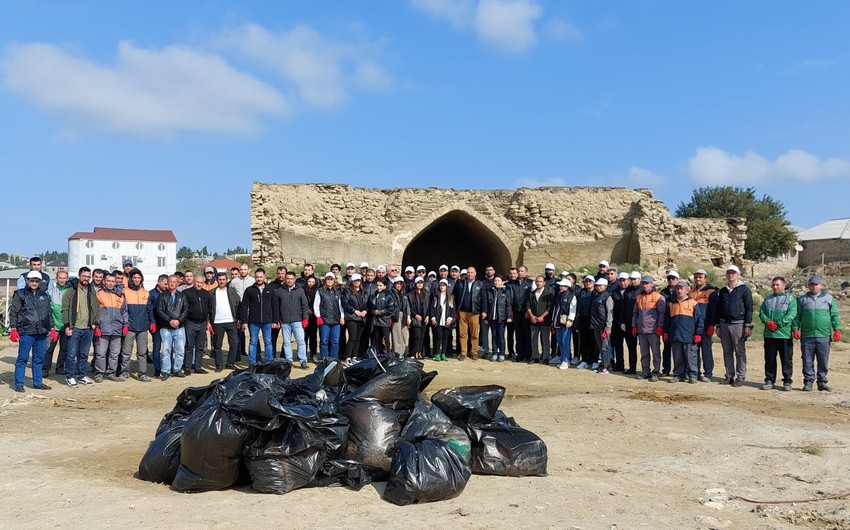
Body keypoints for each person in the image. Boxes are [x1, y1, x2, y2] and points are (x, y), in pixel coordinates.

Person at [9, 271, 56, 392]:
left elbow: (48, 313)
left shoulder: (44, 296)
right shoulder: (20, 294)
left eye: (36, 281)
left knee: (39, 359)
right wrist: (13, 328)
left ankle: (38, 382)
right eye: (32, 280)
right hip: (26, 331)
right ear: (27, 281)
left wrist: (52, 328)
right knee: (23, 358)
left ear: (39, 282)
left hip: (41, 332)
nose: (34, 283)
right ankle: (19, 383)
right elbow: (14, 312)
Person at [794, 275, 841, 392]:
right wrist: (795, 328)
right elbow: (797, 316)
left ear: (821, 285)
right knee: (807, 359)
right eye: (812, 284)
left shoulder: (829, 298)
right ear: (808, 286)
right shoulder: (802, 299)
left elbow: (834, 315)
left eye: (816, 284)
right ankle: (808, 381)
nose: (814, 287)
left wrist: (837, 329)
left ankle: (822, 381)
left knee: (823, 359)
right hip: (807, 335)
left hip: (824, 335)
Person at [716, 265, 753, 387]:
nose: (731, 274)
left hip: (738, 324)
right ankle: (729, 375)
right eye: (729, 272)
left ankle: (741, 376)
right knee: (727, 351)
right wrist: (718, 325)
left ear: (738, 275)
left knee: (739, 351)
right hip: (724, 323)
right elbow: (719, 309)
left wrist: (747, 325)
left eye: (733, 272)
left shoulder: (744, 290)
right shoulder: (722, 291)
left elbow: (749, 308)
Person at [62, 267, 99, 387]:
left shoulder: (91, 290)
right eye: (84, 276)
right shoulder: (70, 291)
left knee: (84, 354)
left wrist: (94, 322)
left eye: (88, 277)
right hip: (75, 327)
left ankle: (82, 376)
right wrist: (67, 326)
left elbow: (96, 307)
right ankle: (70, 376)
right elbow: (65, 309)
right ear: (79, 276)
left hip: (88, 328)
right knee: (71, 354)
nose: (86, 278)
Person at [758, 276, 797, 391]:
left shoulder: (790, 299)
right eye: (773, 285)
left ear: (784, 286)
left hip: (784, 335)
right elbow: (761, 312)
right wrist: (767, 322)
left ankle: (787, 381)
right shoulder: (768, 299)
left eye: (777, 285)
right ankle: (769, 380)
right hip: (769, 335)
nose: (775, 287)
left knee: (786, 359)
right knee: (769, 359)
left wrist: (778, 324)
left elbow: (791, 314)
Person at [664, 280, 705, 383]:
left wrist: (698, 333)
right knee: (677, 356)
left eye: (681, 288)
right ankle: (678, 375)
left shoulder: (693, 303)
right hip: (675, 335)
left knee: (691, 356)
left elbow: (699, 320)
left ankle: (693, 375)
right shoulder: (671, 304)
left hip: (689, 336)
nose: (679, 290)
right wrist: (666, 332)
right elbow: (667, 320)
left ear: (687, 291)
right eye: (677, 288)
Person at [239, 268, 280, 367]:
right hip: (253, 321)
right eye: (257, 277)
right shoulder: (249, 290)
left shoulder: (270, 290)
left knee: (268, 341)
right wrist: (244, 321)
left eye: (261, 277)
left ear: (264, 277)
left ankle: (269, 362)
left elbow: (275, 305)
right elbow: (244, 306)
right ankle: (252, 362)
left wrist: (275, 320)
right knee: (253, 341)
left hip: (267, 321)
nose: (259, 279)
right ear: (255, 277)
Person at [93, 273, 128, 382]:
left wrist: (125, 324)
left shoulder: (120, 296)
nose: (110, 283)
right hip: (103, 328)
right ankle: (99, 373)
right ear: (104, 281)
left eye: (113, 281)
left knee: (114, 353)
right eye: (108, 281)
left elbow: (124, 311)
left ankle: (111, 372)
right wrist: (97, 325)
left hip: (117, 329)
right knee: (101, 353)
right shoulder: (98, 294)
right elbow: (95, 311)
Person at [155, 274, 189, 380]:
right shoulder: (162, 296)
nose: (172, 283)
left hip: (179, 327)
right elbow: (159, 310)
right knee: (166, 350)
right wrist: (169, 320)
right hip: (165, 327)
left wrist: (179, 321)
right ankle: (165, 371)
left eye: (174, 282)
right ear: (167, 282)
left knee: (180, 350)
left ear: (178, 283)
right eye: (170, 281)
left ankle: (177, 369)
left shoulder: (182, 296)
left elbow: (185, 310)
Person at [633, 276, 666, 381]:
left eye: (647, 283)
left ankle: (656, 371)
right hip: (641, 330)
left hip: (653, 330)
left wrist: (660, 327)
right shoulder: (639, 297)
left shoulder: (658, 297)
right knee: (644, 353)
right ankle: (645, 371)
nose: (645, 285)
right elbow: (635, 313)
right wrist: (634, 326)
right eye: (643, 283)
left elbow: (662, 314)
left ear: (652, 284)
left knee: (656, 352)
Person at [122, 268, 152, 381]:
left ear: (141, 279)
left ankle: (142, 373)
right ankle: (125, 372)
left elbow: (149, 310)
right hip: (130, 327)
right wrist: (125, 324)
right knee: (126, 352)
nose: (136, 280)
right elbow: (123, 310)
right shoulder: (125, 292)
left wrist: (151, 322)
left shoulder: (146, 293)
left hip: (143, 327)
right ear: (131, 279)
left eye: (139, 278)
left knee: (142, 353)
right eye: (134, 278)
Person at [691, 269, 719, 382]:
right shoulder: (691, 292)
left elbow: (714, 310)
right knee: (694, 350)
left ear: (705, 278)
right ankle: (696, 372)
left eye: (700, 277)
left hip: (706, 326)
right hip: (693, 327)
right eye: (696, 277)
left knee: (706, 350)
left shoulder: (711, 292)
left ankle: (708, 373)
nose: (698, 279)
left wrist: (712, 325)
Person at [210, 272, 241, 372]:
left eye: (223, 279)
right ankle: (219, 365)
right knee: (217, 345)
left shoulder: (232, 291)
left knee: (235, 343)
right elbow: (208, 309)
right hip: (217, 322)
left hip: (231, 321)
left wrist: (238, 318)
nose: (222, 281)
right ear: (217, 280)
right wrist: (209, 322)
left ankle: (230, 363)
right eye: (220, 279)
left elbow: (238, 304)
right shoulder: (212, 293)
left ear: (226, 280)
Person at [183, 274, 213, 375]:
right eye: (197, 282)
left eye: (201, 282)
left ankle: (198, 367)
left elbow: (209, 309)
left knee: (200, 347)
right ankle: (187, 367)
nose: (199, 284)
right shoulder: (186, 293)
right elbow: (183, 308)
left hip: (202, 323)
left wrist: (208, 322)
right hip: (190, 323)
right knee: (189, 346)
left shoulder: (206, 294)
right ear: (194, 282)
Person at [44, 270, 71, 377]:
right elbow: (46, 309)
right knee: (49, 348)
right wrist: (50, 326)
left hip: (66, 326)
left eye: (64, 278)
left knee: (64, 349)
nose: (62, 280)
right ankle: (45, 368)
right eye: (60, 278)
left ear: (67, 279)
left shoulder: (70, 291)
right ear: (56, 278)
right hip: (53, 327)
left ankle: (60, 367)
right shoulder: (50, 291)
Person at [453, 266, 483, 361]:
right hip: (462, 312)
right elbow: (455, 296)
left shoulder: (480, 284)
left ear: (475, 273)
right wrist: (456, 310)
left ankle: (474, 352)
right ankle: (463, 353)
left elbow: (484, 299)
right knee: (462, 334)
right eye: (468, 272)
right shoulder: (460, 283)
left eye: (471, 272)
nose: (470, 274)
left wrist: (484, 311)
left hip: (474, 312)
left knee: (474, 334)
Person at [314, 272, 344, 360]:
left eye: (331, 279)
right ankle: (324, 358)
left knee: (335, 341)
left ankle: (334, 358)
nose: (329, 281)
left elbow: (340, 306)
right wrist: (318, 316)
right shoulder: (320, 291)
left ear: (334, 280)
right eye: (328, 279)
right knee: (324, 340)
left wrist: (342, 317)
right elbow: (316, 305)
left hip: (336, 320)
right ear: (325, 280)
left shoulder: (338, 292)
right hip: (324, 320)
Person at [483, 275, 512, 363]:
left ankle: (502, 353)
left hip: (502, 318)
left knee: (501, 336)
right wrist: (487, 317)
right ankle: (495, 353)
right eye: (495, 281)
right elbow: (487, 304)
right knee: (494, 336)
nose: (496, 282)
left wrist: (509, 316)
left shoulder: (505, 291)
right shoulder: (490, 291)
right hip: (492, 318)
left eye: (498, 281)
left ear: (502, 282)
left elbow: (508, 304)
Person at [342, 273, 369, 360]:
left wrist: (365, 311)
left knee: (358, 339)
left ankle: (354, 356)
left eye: (358, 280)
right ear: (352, 281)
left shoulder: (364, 292)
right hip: (352, 317)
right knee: (352, 337)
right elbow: (345, 304)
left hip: (362, 317)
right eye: (355, 281)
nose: (357, 282)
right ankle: (348, 357)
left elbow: (368, 304)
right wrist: (354, 311)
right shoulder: (347, 291)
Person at [526, 275, 553, 364]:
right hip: (533, 320)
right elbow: (528, 306)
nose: (538, 283)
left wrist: (542, 316)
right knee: (533, 339)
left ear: (544, 283)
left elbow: (549, 307)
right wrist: (532, 316)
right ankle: (535, 356)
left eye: (540, 281)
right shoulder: (531, 293)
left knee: (545, 339)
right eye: (537, 281)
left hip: (544, 321)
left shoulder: (548, 294)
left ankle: (546, 357)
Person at [551, 278, 577, 370]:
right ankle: (563, 359)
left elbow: (573, 309)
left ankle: (566, 360)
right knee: (560, 341)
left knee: (565, 341)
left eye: (562, 285)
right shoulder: (559, 295)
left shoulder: (571, 296)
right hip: (558, 322)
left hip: (566, 322)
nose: (560, 287)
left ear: (567, 286)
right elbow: (555, 309)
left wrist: (570, 320)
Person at [590, 278, 614, 374]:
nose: (598, 287)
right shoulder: (596, 296)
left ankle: (606, 366)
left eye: (601, 285)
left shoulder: (607, 297)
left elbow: (610, 313)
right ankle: (603, 363)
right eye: (597, 285)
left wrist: (608, 326)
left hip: (604, 326)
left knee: (606, 346)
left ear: (605, 286)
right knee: (600, 346)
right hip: (596, 325)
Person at [620, 271, 642, 374]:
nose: (633, 281)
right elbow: (623, 307)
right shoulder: (628, 291)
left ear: (639, 279)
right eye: (631, 279)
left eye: (635, 279)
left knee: (645, 348)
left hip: (641, 324)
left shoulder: (643, 290)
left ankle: (646, 370)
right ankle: (632, 368)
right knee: (631, 347)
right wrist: (623, 321)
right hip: (629, 323)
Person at [429, 279, 455, 362]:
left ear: (446, 287)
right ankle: (437, 353)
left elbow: (453, 309)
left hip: (446, 320)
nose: (442, 287)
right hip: (438, 319)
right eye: (441, 285)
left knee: (445, 338)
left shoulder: (450, 297)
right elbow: (432, 308)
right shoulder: (436, 296)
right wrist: (433, 317)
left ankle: (443, 353)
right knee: (438, 337)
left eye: (444, 285)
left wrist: (450, 317)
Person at [147, 274, 168, 377]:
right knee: (156, 347)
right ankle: (157, 369)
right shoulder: (151, 294)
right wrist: (152, 322)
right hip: (155, 324)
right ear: (159, 282)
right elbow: (149, 309)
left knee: (167, 347)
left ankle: (167, 368)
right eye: (165, 284)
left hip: (166, 324)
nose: (166, 286)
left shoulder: (168, 293)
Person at [369, 278, 396, 354]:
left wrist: (379, 312)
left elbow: (391, 308)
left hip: (385, 321)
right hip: (375, 321)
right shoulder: (373, 295)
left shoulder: (389, 295)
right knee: (376, 339)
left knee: (385, 339)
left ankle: (387, 354)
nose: (378, 287)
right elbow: (370, 306)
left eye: (381, 285)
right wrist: (372, 311)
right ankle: (378, 354)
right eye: (377, 285)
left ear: (385, 286)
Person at [609, 272, 630, 372]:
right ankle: (619, 365)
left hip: (628, 324)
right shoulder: (614, 292)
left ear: (628, 280)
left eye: (624, 280)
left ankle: (632, 367)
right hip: (616, 323)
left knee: (631, 346)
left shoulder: (631, 292)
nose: (622, 282)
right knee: (617, 346)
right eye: (620, 280)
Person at [576, 275, 596, 369]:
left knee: (593, 341)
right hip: (583, 320)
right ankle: (584, 360)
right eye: (586, 281)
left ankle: (593, 360)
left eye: (590, 281)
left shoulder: (596, 293)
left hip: (593, 320)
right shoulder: (582, 293)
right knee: (583, 341)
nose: (588, 283)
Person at [408, 277, 431, 359]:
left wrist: (428, 315)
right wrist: (415, 315)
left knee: (422, 336)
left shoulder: (427, 294)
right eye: (418, 283)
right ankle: (415, 352)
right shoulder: (410, 295)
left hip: (424, 317)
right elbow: (410, 307)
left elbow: (429, 306)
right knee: (416, 336)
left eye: (421, 282)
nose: (420, 284)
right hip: (415, 317)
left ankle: (420, 352)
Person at [390, 276, 411, 354]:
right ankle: (397, 354)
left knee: (404, 335)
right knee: (397, 336)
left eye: (400, 284)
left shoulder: (404, 293)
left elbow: (407, 305)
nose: (398, 285)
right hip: (396, 315)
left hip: (404, 315)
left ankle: (402, 353)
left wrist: (408, 316)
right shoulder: (391, 293)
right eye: (397, 283)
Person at [303, 276, 320, 360]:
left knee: (313, 336)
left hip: (314, 316)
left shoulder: (317, 291)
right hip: (304, 316)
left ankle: (313, 353)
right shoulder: (302, 291)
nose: (311, 283)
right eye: (309, 281)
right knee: (304, 336)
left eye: (313, 282)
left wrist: (314, 312)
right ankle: (303, 353)